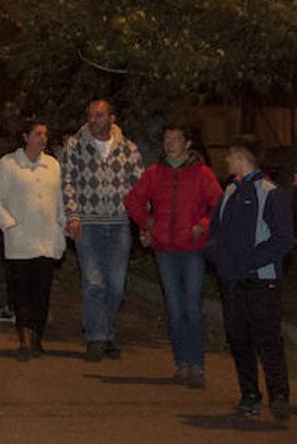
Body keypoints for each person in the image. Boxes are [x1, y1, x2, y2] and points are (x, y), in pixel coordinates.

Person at [125, 123, 222, 387]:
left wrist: (203, 224)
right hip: (165, 249)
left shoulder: (202, 174)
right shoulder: (155, 173)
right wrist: (148, 223)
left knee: (192, 306)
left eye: (175, 140)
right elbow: (132, 200)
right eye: (167, 140)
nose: (170, 144)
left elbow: (219, 203)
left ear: (187, 144)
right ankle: (183, 364)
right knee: (175, 308)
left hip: (192, 249)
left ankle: (197, 366)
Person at [208, 138, 293, 421]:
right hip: (231, 280)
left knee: (267, 339)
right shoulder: (230, 191)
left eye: (230, 154)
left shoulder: (271, 194)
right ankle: (249, 395)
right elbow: (216, 230)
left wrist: (249, 262)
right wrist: (216, 255)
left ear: (242, 156)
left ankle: (279, 395)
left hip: (261, 280)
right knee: (238, 339)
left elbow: (283, 240)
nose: (227, 160)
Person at [62, 98, 144, 361]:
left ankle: (106, 330)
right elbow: (67, 181)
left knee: (117, 286)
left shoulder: (128, 149)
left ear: (112, 118)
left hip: (119, 224)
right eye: (90, 115)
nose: (94, 120)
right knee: (93, 281)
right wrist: (73, 214)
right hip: (88, 223)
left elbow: (140, 186)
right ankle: (97, 337)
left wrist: (144, 220)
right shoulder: (75, 146)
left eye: (99, 115)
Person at [0, 119, 65, 360]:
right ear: (25, 136)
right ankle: (25, 334)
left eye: (45, 135)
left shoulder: (52, 165)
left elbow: (60, 201)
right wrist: (10, 225)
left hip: (46, 239)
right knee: (22, 291)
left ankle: (38, 335)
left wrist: (63, 226)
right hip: (20, 240)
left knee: (42, 290)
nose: (42, 139)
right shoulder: (8, 164)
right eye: (38, 134)